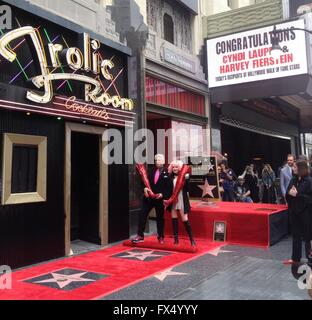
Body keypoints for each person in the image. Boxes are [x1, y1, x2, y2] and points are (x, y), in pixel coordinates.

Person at [132, 154, 172, 244]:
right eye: (156, 160)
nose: (158, 161)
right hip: (149, 199)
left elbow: (169, 189)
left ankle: (161, 237)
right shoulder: (150, 171)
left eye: (160, 160)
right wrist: (144, 189)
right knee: (142, 214)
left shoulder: (168, 173)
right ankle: (140, 236)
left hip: (160, 199)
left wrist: (163, 194)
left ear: (164, 161)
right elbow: (143, 182)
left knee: (160, 218)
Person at [286, 161, 312, 265]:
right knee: (296, 236)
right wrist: (289, 193)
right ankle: (295, 258)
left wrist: (297, 194)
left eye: (295, 167)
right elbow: (287, 192)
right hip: (294, 213)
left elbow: (310, 199)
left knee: (308, 237)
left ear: (301, 168)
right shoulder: (293, 179)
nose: (293, 169)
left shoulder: (309, 181)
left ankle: (310, 259)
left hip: (306, 214)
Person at [167, 160, 196, 246]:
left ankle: (192, 239)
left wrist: (187, 180)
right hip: (173, 201)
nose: (175, 169)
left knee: (185, 220)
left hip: (182, 199)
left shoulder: (184, 176)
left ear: (180, 168)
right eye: (173, 167)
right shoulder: (170, 177)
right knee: (174, 220)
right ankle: (176, 240)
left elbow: (187, 189)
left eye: (176, 167)